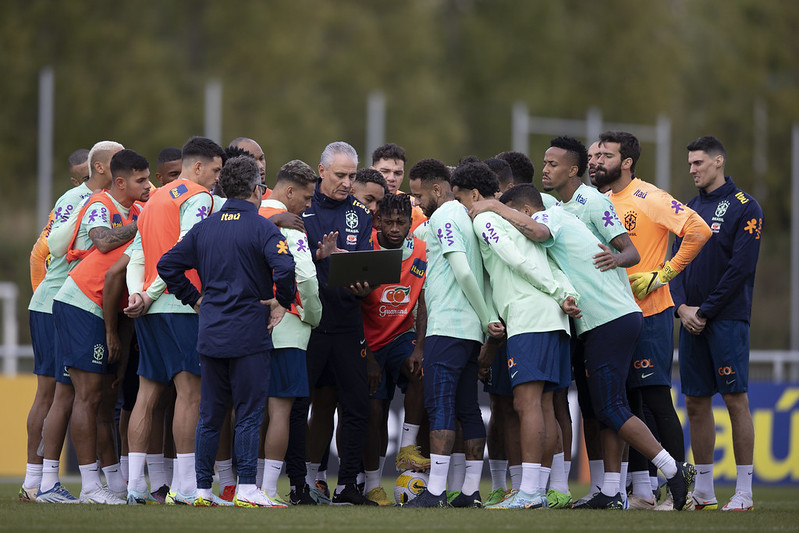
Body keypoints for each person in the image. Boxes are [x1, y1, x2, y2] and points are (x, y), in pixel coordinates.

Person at [470, 183, 698, 511]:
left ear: (523, 211)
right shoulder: (566, 219)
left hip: (609, 320)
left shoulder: (554, 216)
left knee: (612, 408)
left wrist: (493, 206)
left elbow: (533, 229)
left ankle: (674, 470)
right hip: (613, 318)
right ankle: (609, 490)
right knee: (605, 409)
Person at [158, 155, 296, 507]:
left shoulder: (205, 227)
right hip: (249, 331)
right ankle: (247, 488)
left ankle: (203, 490)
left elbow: (167, 265)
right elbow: (284, 266)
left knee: (210, 413)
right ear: (256, 190)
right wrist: (280, 301)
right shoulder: (263, 227)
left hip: (211, 331)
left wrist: (194, 299)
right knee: (249, 411)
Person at [451, 162, 579, 510]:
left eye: (461, 199)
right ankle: (537, 491)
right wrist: (565, 295)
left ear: (475, 196)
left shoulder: (484, 219)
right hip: (554, 319)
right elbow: (547, 260)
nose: (460, 208)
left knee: (525, 404)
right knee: (545, 405)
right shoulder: (516, 220)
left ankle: (529, 493)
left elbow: (515, 260)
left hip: (529, 316)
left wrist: (555, 291)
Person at [596, 130, 711, 509]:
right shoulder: (599, 201)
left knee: (656, 398)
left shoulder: (649, 196)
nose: (597, 161)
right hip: (614, 314)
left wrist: (663, 274)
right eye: (596, 155)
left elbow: (698, 230)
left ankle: (686, 489)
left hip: (651, 312)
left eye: (606, 155)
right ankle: (643, 491)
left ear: (627, 162)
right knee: (630, 402)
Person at [123, 136, 224, 505]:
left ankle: (135, 486)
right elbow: (182, 250)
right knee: (190, 395)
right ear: (197, 167)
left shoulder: (154, 199)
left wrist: (138, 293)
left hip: (149, 309)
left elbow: (137, 255)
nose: (217, 178)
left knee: (146, 396)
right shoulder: (197, 197)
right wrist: (151, 294)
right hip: (181, 306)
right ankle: (183, 488)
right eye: (215, 170)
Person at [540, 136, 641, 506]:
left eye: (552, 164)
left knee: (612, 404)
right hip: (578, 319)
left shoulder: (593, 201)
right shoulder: (550, 205)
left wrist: (615, 259)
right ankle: (601, 488)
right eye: (544, 162)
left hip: (608, 314)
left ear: (572, 170)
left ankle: (624, 486)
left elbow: (630, 250)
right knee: (590, 405)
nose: (545, 169)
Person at [51, 148, 150, 504]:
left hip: (99, 308)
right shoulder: (106, 205)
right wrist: (110, 332)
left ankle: (114, 486)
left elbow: (122, 296)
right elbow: (110, 275)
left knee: (106, 400)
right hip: (82, 304)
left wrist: (120, 351)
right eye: (141, 180)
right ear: (120, 182)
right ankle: (89, 487)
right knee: (88, 396)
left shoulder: (136, 211)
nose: (148, 185)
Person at [404, 158, 503, 508]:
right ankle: (471, 491)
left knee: (440, 405)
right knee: (467, 408)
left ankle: (434, 493)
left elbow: (462, 271)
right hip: (470, 333)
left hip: (447, 327)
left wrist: (487, 315)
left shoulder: (446, 215)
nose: (417, 204)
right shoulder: (466, 217)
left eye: (419, 196)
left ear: (436, 189)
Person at [671, 136, 763, 512]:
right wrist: (681, 308)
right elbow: (673, 263)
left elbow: (741, 267)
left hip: (725, 319)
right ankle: (704, 493)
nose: (692, 169)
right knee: (694, 402)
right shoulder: (689, 209)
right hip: (691, 321)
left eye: (698, 163)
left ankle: (744, 492)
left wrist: (705, 310)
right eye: (690, 163)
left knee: (735, 400)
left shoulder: (746, 207)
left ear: (718, 162)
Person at [285, 141, 376, 506]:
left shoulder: (360, 211)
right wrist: (319, 256)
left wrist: (363, 285)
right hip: (308, 324)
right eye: (340, 175)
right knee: (297, 405)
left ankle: (347, 486)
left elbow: (365, 262)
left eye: (352, 175)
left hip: (347, 322)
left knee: (357, 405)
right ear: (321, 171)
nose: (347, 182)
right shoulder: (301, 210)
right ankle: (298, 485)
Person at [23, 146, 101, 503]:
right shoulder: (76, 198)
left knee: (58, 393)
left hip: (61, 304)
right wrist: (47, 296)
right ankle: (36, 481)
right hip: (55, 305)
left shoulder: (100, 199)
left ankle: (37, 482)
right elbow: (44, 250)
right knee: (53, 393)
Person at [257, 159, 324, 503]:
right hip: (287, 327)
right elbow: (307, 279)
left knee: (250, 409)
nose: (309, 206)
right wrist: (314, 314)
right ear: (289, 192)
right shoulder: (291, 224)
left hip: (248, 325)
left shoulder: (250, 212)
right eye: (307, 198)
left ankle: (243, 486)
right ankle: (268, 490)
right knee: (281, 411)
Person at [359, 192, 429, 505]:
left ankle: (408, 448)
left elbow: (424, 302)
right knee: (375, 414)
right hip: (369, 339)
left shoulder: (422, 251)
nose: (395, 228)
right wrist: (369, 357)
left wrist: (420, 348)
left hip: (401, 335)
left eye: (402, 222)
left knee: (421, 371)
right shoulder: (366, 247)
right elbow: (355, 307)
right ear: (378, 221)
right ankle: (373, 486)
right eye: (389, 221)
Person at [371, 143, 426, 230]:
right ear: (372, 171)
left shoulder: (415, 208)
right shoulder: (359, 201)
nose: (392, 178)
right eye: (385, 171)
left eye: (398, 173)